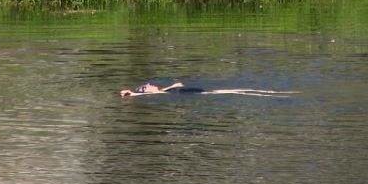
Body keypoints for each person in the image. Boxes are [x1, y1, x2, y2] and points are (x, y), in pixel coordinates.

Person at [120, 81, 293, 98]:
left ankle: (268, 92)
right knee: (226, 92)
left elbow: (167, 88)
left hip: (185, 91)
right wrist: (132, 93)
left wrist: (173, 86)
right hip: (190, 93)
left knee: (231, 90)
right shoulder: (152, 93)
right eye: (146, 85)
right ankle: (267, 94)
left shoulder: (163, 91)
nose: (149, 84)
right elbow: (138, 95)